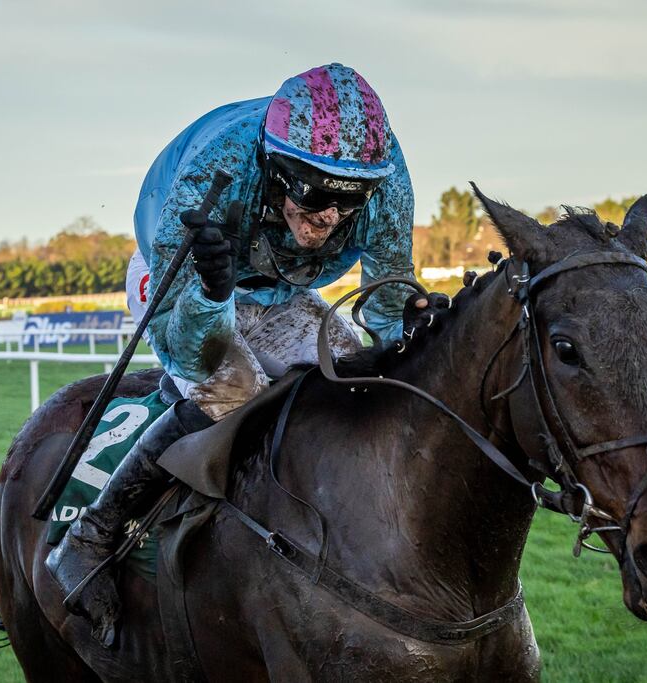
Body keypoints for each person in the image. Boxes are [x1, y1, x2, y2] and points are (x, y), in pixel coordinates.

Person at [48, 63, 443, 645]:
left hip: (277, 291)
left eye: (349, 201)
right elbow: (187, 344)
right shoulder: (213, 173)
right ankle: (91, 535)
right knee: (234, 395)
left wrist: (415, 326)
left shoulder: (384, 177)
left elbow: (385, 305)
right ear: (277, 169)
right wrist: (212, 292)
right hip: (179, 284)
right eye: (315, 193)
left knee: (353, 383)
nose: (330, 216)